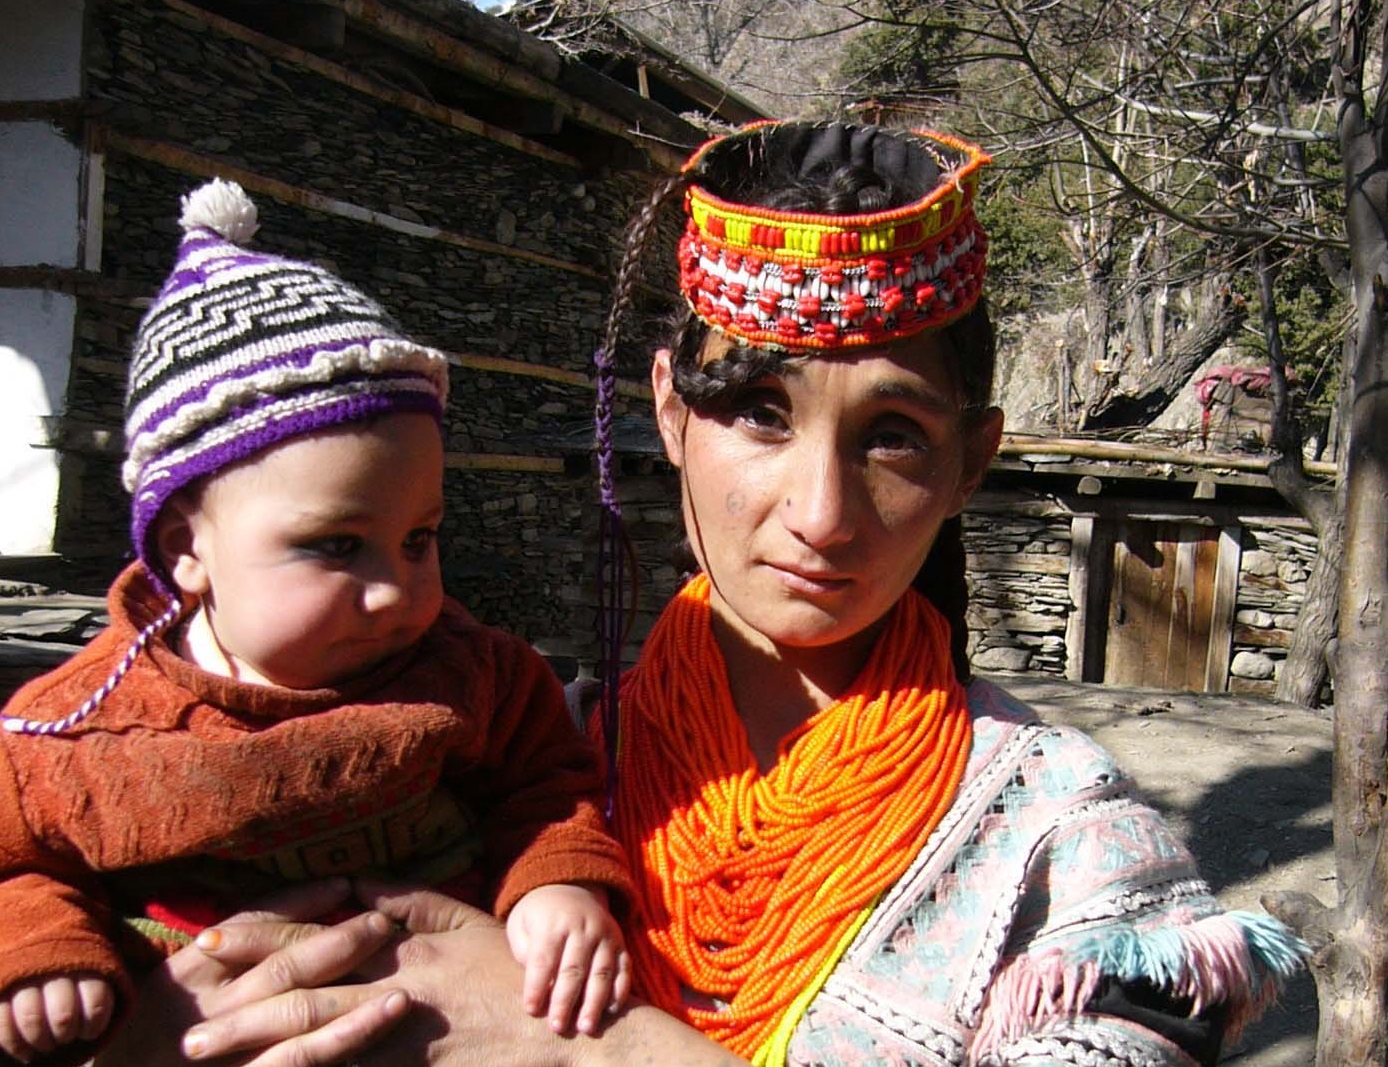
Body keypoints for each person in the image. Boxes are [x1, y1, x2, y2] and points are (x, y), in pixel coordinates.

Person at [101, 121, 1307, 1067]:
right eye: (757, 412)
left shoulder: (1059, 843)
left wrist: (607, 1042)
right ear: (671, 409)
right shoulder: (496, 756)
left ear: (969, 458)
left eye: (890, 436)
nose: (820, 512)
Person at [0, 178, 632, 1066]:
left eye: (420, 538)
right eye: (338, 545)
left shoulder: (472, 673)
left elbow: (550, 786)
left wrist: (556, 882)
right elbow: (19, 860)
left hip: (443, 1033)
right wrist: (41, 949)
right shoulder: (73, 729)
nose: (396, 591)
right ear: (186, 547)